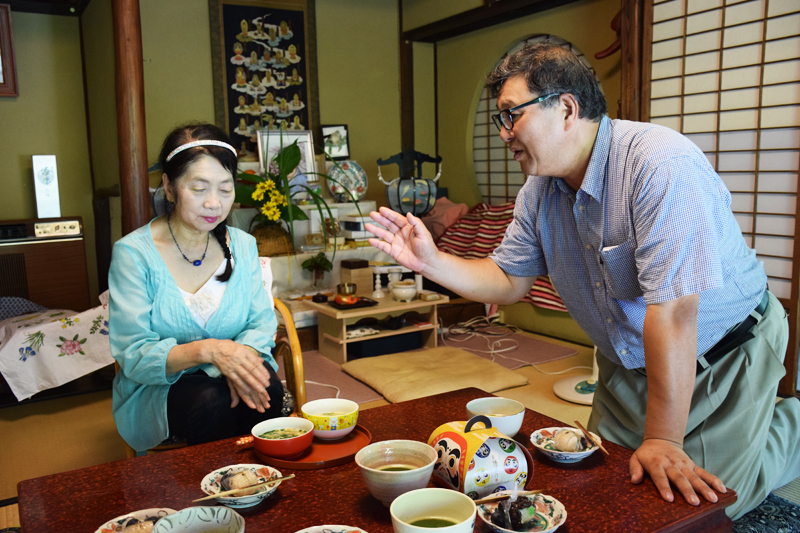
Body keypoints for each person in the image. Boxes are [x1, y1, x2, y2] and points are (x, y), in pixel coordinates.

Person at [366, 42, 800, 519]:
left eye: (513, 115)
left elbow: (675, 311)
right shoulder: (538, 191)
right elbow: (508, 280)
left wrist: (662, 439)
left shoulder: (660, 164)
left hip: (725, 352)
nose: (505, 133)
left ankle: (790, 424)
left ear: (567, 108)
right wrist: (430, 261)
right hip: (627, 361)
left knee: (704, 511)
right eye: (500, 119)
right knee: (601, 485)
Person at [109, 123, 288, 454]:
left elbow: (261, 323)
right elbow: (134, 352)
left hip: (236, 361)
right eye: (199, 188)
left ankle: (259, 478)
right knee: (212, 402)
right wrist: (212, 352)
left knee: (268, 392)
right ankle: (215, 484)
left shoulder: (243, 245)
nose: (214, 204)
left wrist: (235, 363)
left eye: (225, 189)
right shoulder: (133, 254)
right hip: (162, 385)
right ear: (169, 187)